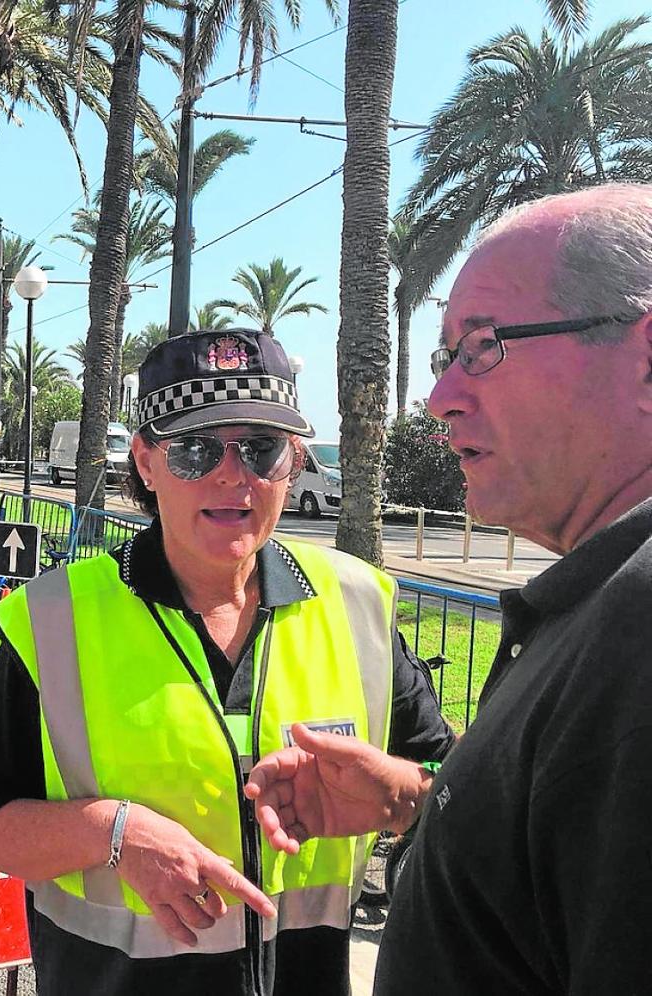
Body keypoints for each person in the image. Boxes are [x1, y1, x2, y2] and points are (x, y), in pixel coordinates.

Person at [0, 329, 454, 995]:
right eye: (194, 449)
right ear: (146, 462)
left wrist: (399, 796)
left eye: (261, 448)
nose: (232, 474)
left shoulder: (358, 605)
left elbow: (454, 788)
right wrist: (114, 834)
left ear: (295, 460)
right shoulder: (51, 622)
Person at [244, 184, 652, 995]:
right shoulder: (600, 605)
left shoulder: (640, 628)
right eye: (445, 357)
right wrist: (412, 798)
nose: (439, 400)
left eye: (485, 346)